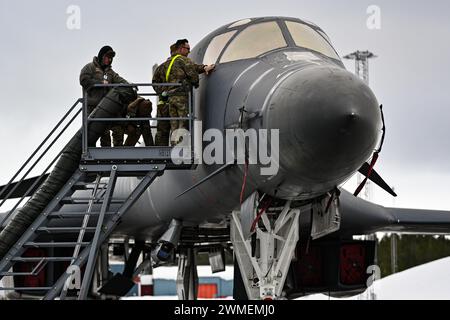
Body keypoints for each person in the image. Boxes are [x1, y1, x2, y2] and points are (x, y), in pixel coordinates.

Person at [153, 39, 215, 145]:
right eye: (187, 49)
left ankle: (174, 144)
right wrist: (196, 82)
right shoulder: (183, 60)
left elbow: (155, 83)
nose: (189, 52)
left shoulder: (163, 66)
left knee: (173, 124)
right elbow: (192, 72)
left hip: (167, 100)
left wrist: (164, 91)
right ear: (181, 49)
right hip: (180, 97)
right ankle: (180, 145)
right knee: (182, 122)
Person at [79, 45, 128, 147]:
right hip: (92, 108)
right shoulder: (90, 67)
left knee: (108, 132)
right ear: (101, 56)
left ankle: (110, 156)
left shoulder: (110, 72)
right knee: (92, 134)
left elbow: (120, 80)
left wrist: (130, 86)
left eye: (111, 58)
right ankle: (90, 154)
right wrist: (100, 83)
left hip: (105, 107)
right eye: (107, 57)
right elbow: (84, 80)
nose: (109, 60)